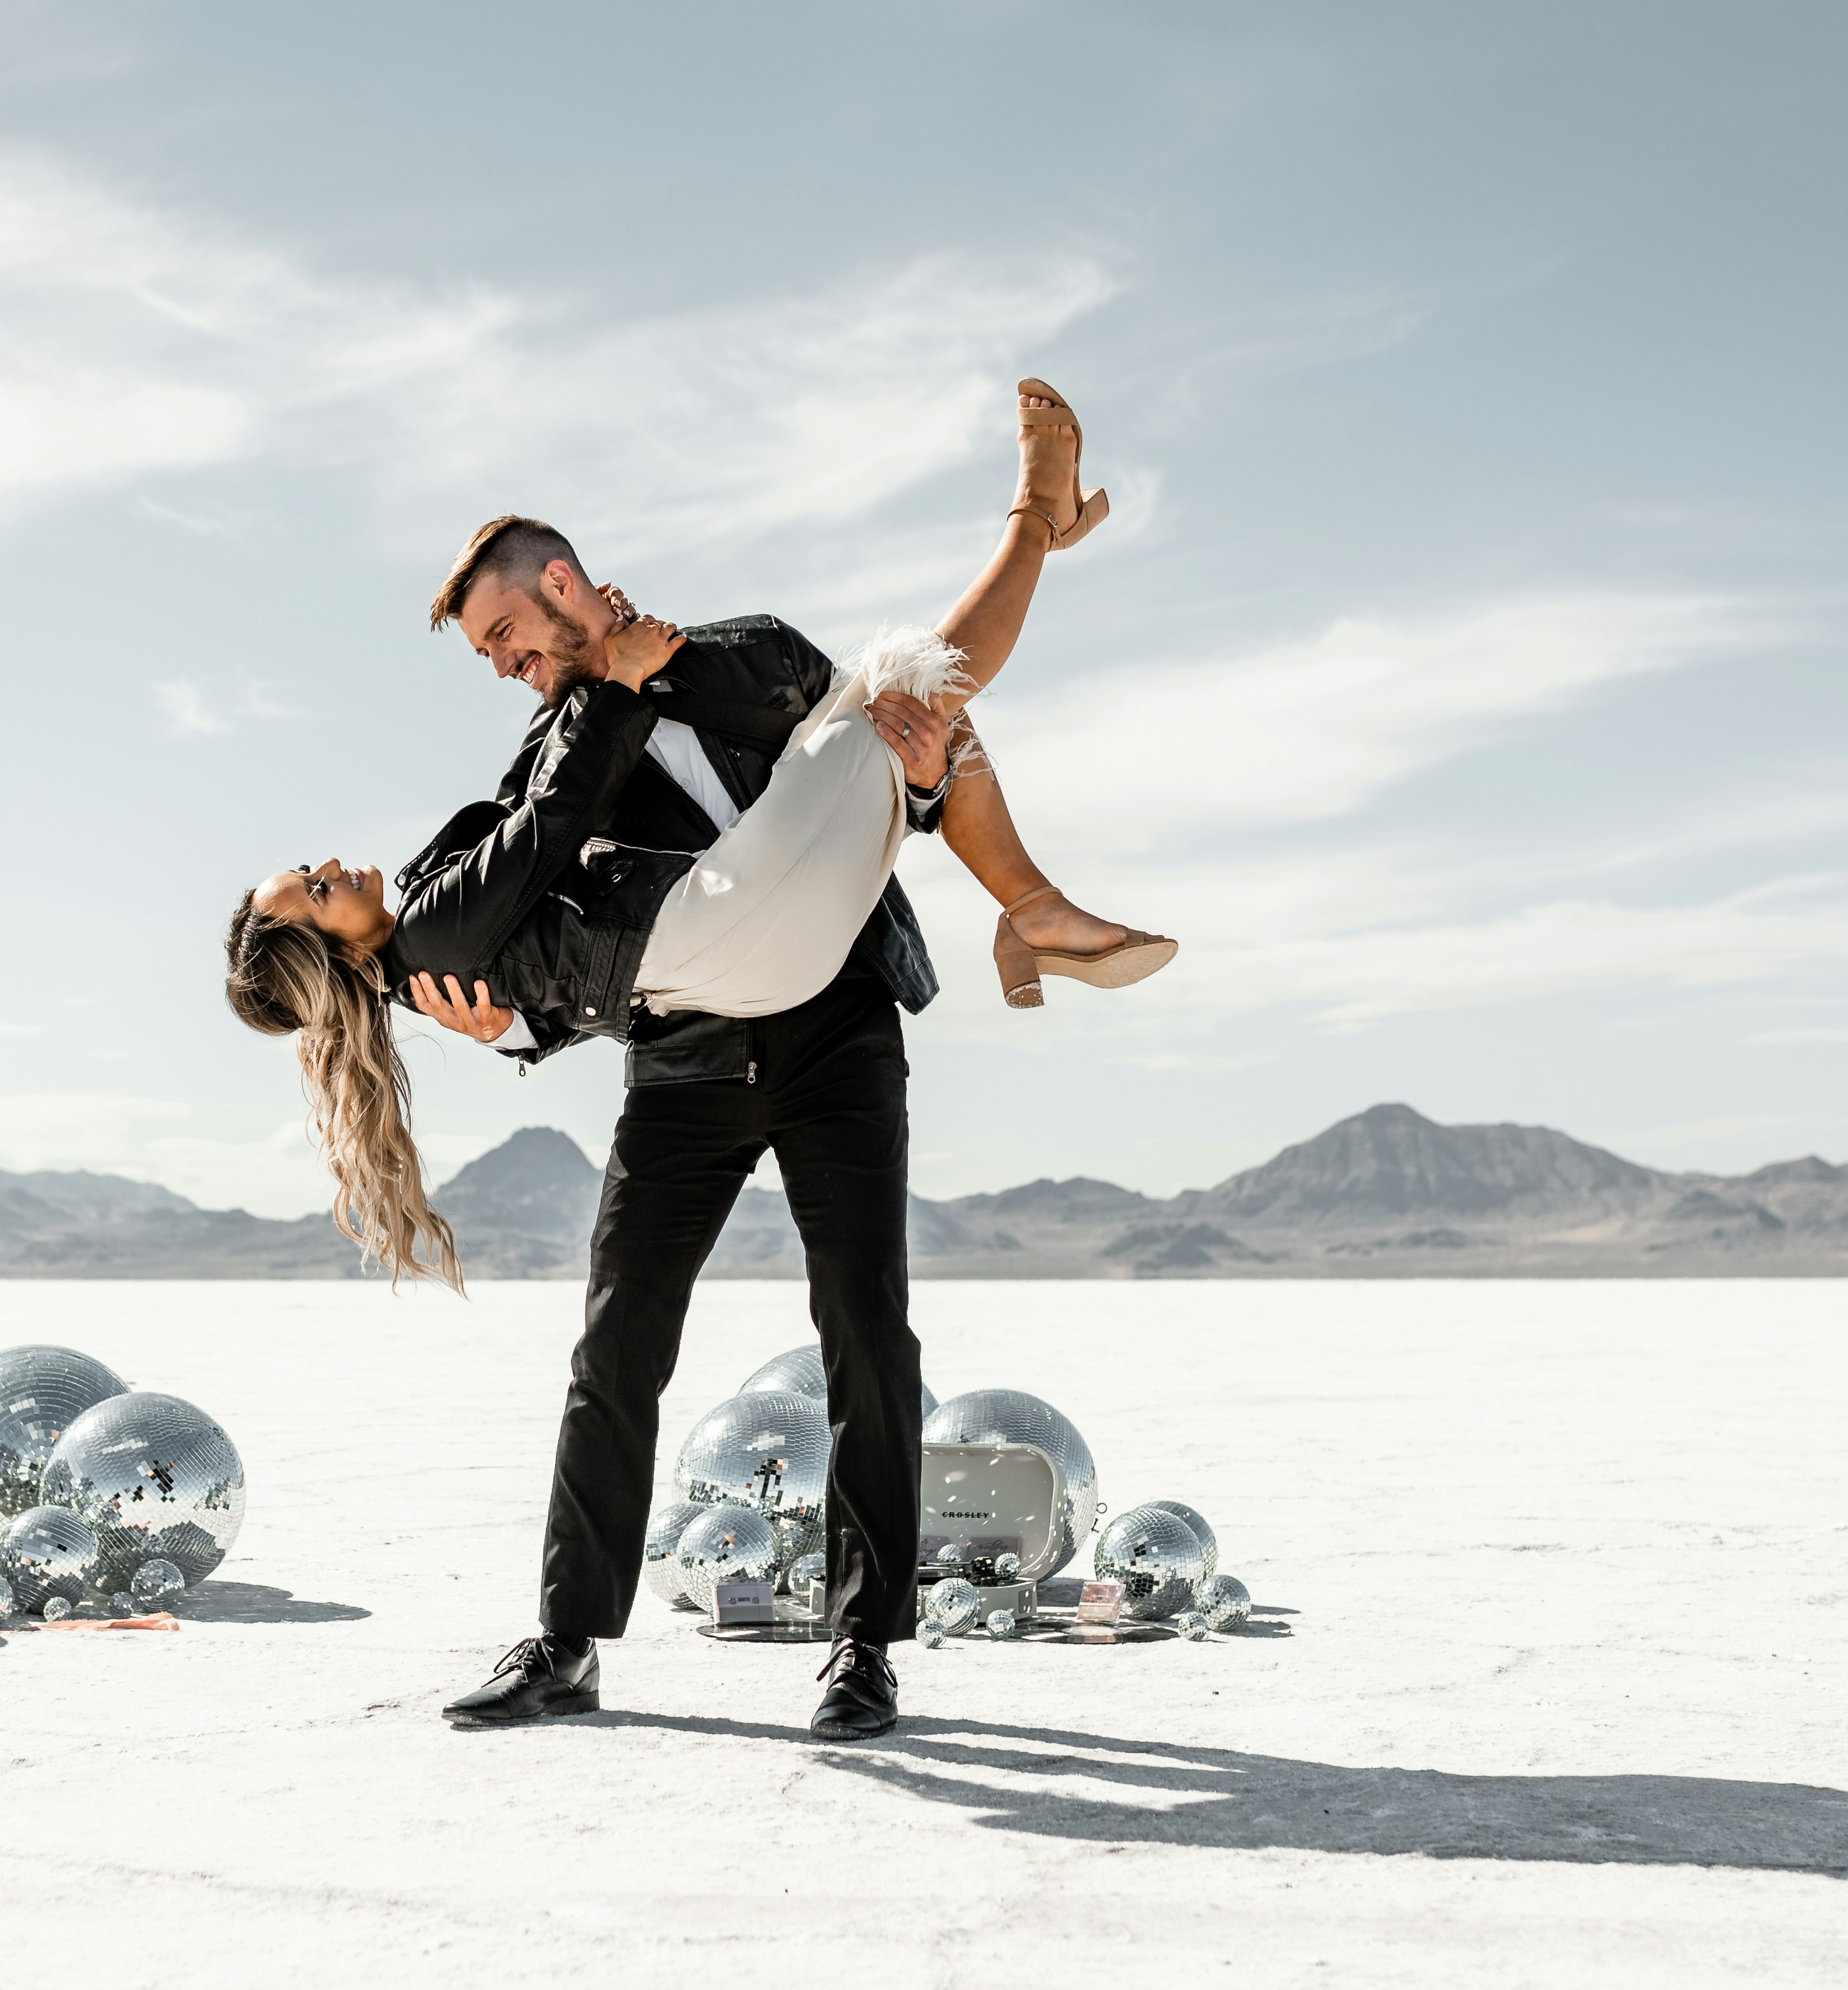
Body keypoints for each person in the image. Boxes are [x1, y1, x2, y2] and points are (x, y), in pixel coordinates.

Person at [222, 380, 1168, 1741]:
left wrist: (907, 752)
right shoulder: (552, 743)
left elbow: (809, 741)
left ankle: (863, 1644)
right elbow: (550, 911)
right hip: (679, 1060)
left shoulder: (745, 649)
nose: (505, 667)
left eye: (506, 635)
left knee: (865, 1332)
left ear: (561, 586)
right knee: (616, 1345)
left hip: (836, 1019)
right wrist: (521, 1024)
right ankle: (563, 1638)